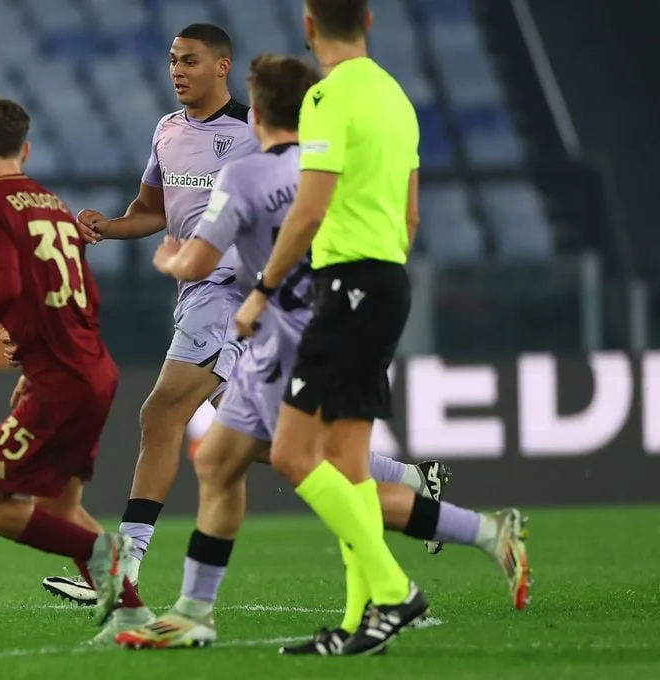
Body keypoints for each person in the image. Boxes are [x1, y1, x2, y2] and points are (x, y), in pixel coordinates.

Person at [112, 53, 531, 651]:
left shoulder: (247, 176)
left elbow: (198, 259)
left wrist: (170, 259)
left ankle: (423, 570)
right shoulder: (326, 169)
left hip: (284, 337)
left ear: (254, 112)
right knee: (222, 460)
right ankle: (194, 611)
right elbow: (398, 222)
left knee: (319, 471)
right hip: (334, 320)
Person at [42, 23, 450, 609]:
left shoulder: (255, 135)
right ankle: (410, 481)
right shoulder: (168, 131)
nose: (177, 70)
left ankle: (120, 568)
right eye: (172, 61)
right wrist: (109, 228)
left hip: (236, 292)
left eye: (190, 61)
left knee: (161, 414)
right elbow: (152, 210)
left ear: (222, 66)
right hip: (199, 292)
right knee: (263, 442)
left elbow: (305, 199)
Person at [238, 0, 496, 656]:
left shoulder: (328, 97)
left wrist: (264, 288)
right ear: (370, 21)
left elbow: (310, 207)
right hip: (386, 284)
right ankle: (359, 626)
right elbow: (410, 215)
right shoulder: (396, 97)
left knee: (295, 455)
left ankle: (394, 590)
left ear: (308, 26)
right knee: (349, 466)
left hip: (348, 284)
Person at [0, 94, 136, 631]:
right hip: (92, 370)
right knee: (57, 506)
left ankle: (104, 556)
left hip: (60, 383)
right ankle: (132, 615)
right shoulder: (51, 203)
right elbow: (85, 297)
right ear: (25, 149)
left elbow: (2, 286)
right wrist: (32, 362)